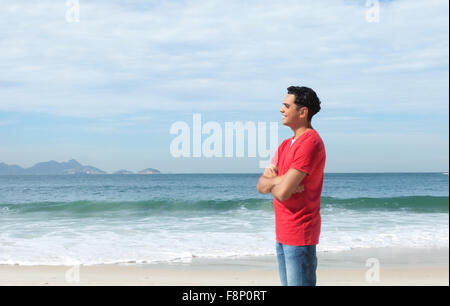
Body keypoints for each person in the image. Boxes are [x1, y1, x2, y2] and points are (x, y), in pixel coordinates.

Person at [256, 86, 326, 286]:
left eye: (286, 105)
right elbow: (261, 185)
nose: (281, 110)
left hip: (300, 233)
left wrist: (278, 183)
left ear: (302, 112)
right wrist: (280, 180)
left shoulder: (310, 142)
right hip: (283, 232)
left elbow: (284, 193)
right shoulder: (285, 145)